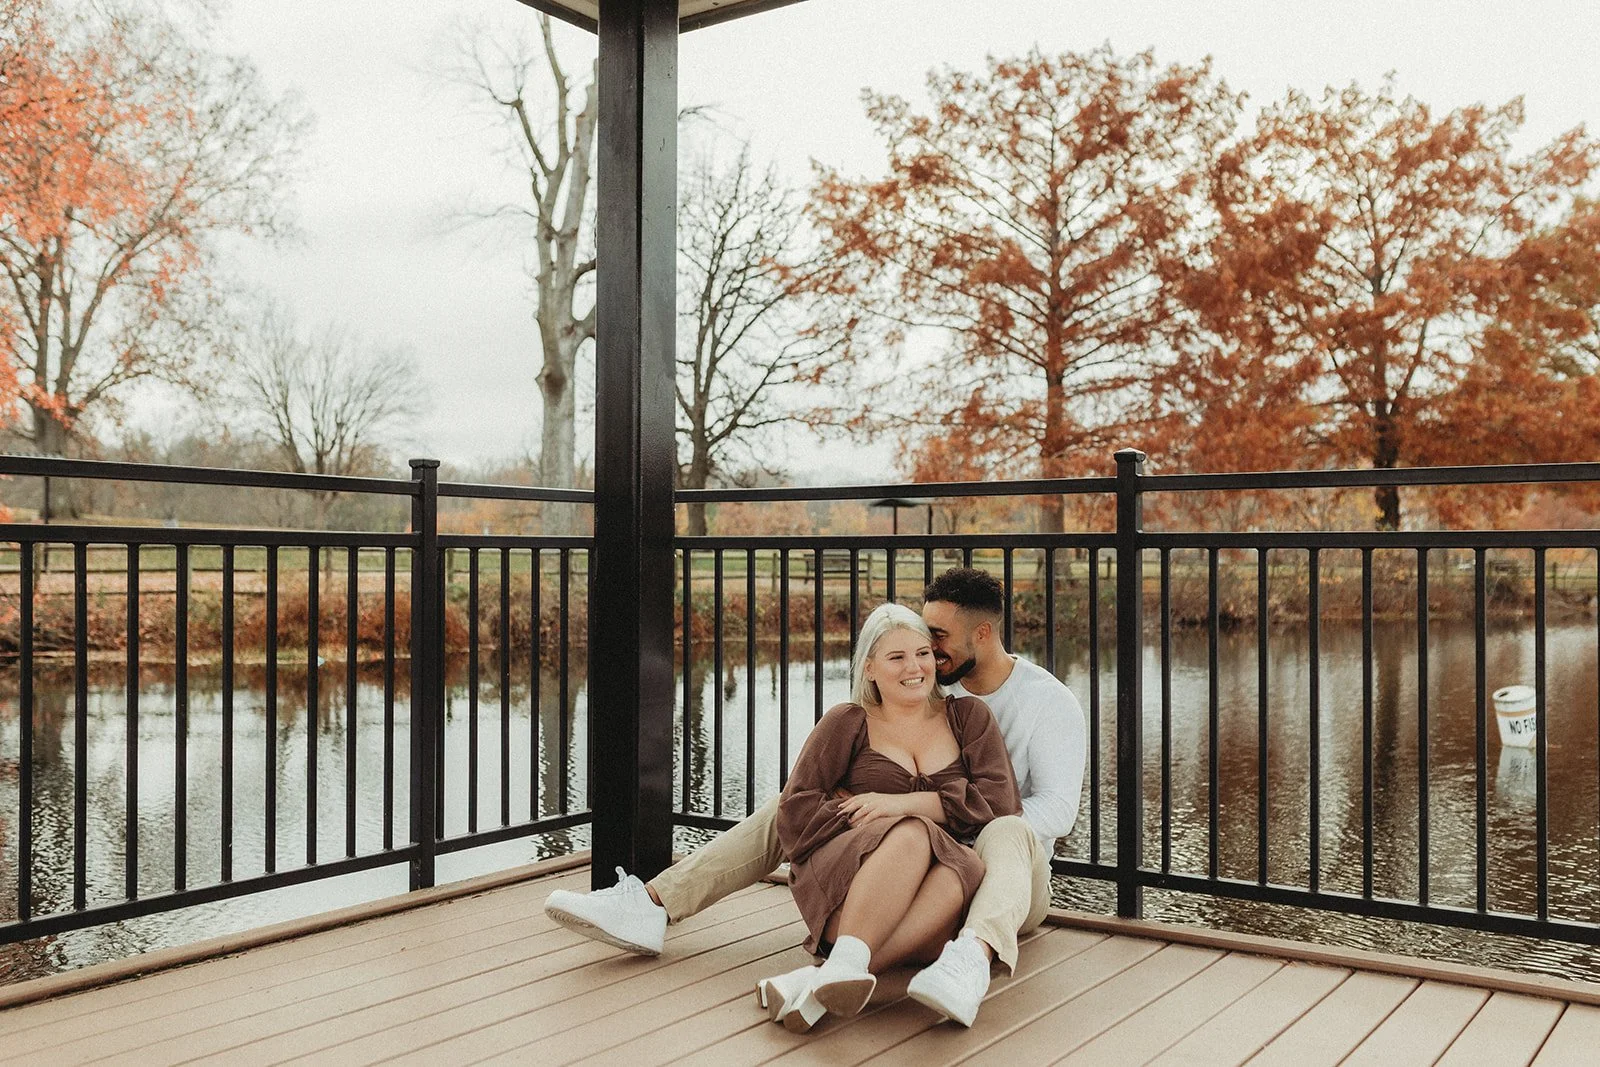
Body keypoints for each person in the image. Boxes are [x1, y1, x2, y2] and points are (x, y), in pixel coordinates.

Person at [543, 567, 1087, 1029]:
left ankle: (963, 958)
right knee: (782, 808)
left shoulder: (1045, 702)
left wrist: (928, 809)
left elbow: (1052, 813)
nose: (927, 654)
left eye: (935, 639)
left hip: (1009, 876)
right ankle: (653, 904)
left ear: (983, 634)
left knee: (1008, 828)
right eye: (915, 645)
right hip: (916, 864)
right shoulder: (934, 688)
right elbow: (825, 788)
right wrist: (868, 810)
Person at [755, 602, 1019, 1031]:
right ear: (871, 669)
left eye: (923, 653)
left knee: (961, 867)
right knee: (912, 836)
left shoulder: (968, 717)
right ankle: (841, 966)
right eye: (897, 657)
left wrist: (902, 803)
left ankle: (834, 972)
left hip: (932, 906)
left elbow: (1001, 802)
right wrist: (873, 818)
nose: (914, 666)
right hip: (848, 889)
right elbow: (797, 809)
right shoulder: (847, 722)